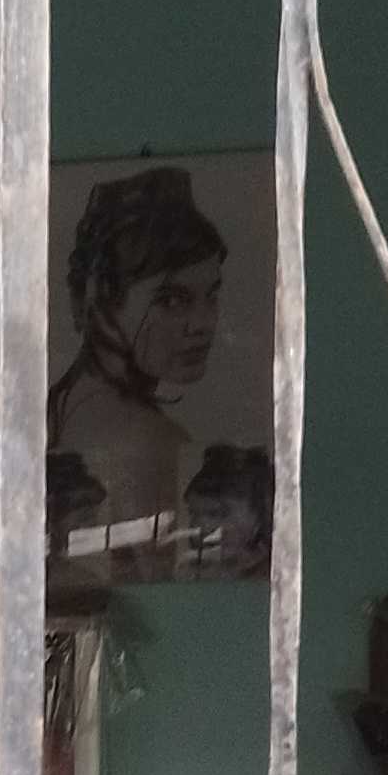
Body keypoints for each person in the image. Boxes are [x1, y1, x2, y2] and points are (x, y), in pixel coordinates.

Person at [49, 165, 267, 574]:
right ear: (104, 300)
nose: (203, 323)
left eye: (211, 295)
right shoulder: (153, 441)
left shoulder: (64, 402)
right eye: (172, 300)